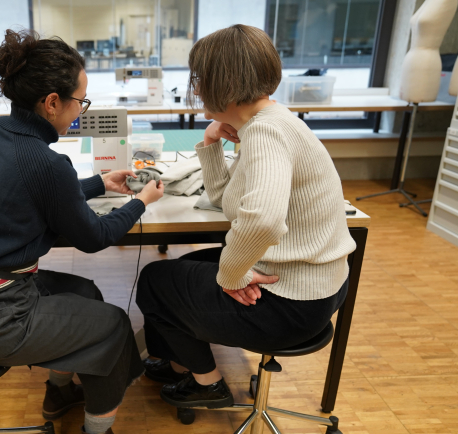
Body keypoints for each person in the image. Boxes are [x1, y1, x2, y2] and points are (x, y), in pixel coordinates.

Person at [0, 29, 164, 434]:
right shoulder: (46, 161)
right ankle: (98, 429)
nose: (81, 109)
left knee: (87, 293)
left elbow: (35, 189)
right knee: (111, 325)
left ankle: (59, 392)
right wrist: (140, 201)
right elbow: (93, 237)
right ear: (52, 102)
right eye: (81, 101)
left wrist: (96, 183)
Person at [136, 24, 357, 409]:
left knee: (155, 281)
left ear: (222, 83)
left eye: (199, 78)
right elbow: (228, 200)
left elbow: (262, 221)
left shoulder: (265, 134)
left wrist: (231, 274)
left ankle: (207, 385)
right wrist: (210, 143)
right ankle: (176, 361)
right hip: (316, 285)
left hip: (292, 302)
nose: (197, 87)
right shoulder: (267, 122)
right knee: (184, 267)